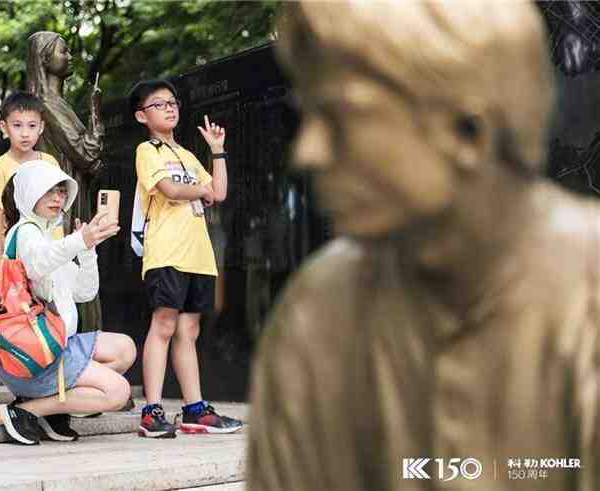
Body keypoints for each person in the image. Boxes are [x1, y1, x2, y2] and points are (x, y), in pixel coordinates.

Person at [248, 2, 599, 490]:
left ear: (468, 132)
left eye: (342, 115)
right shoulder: (316, 311)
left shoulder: (588, 296)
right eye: (308, 115)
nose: (308, 151)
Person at [129, 79, 241, 438]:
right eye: (159, 104)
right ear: (142, 116)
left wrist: (217, 151)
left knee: (189, 331)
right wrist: (200, 190)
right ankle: (151, 411)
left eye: (172, 103)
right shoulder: (147, 150)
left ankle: (195, 409)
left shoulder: (191, 156)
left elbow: (218, 192)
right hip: (167, 252)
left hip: (199, 255)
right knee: (163, 325)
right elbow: (170, 190)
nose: (169, 108)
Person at [0, 160, 136, 445]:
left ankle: (53, 407)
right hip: (34, 354)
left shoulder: (48, 237)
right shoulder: (26, 232)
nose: (57, 198)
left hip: (57, 345)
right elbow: (37, 265)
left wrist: (87, 251)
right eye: (48, 191)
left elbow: (84, 292)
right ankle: (26, 411)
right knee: (118, 393)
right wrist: (79, 240)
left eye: (61, 191)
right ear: (30, 193)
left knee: (125, 348)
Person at [27, 31, 104, 333]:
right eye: (63, 51)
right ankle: (76, 344)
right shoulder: (46, 103)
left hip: (72, 197)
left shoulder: (57, 102)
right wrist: (96, 111)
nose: (70, 57)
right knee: (70, 277)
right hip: (63, 204)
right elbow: (86, 153)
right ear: (45, 58)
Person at [0, 91, 61, 265]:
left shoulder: (49, 163)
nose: (25, 133)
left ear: (41, 127)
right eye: (17, 125)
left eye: (32, 126)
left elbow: (58, 212)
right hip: (16, 257)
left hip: (51, 255)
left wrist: (62, 252)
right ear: (4, 127)